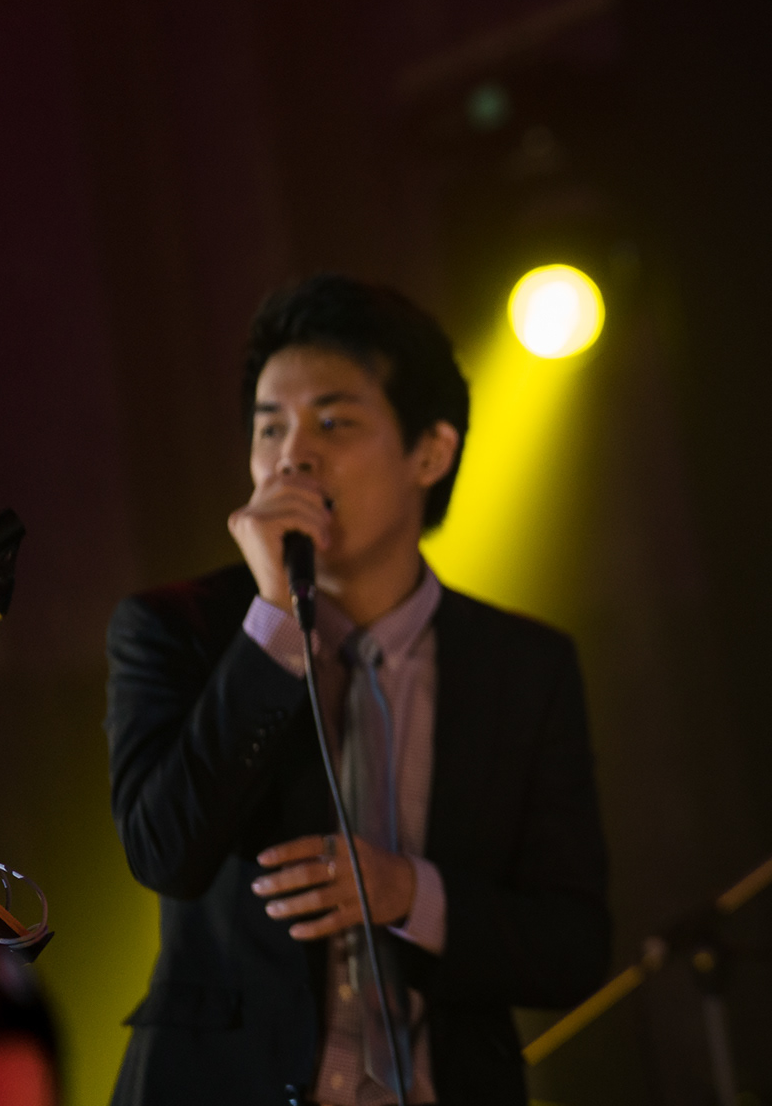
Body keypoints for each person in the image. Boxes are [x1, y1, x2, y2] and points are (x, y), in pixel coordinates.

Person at [104, 275, 610, 1105]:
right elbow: (164, 852)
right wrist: (274, 622)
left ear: (430, 452)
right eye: (270, 426)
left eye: (333, 421)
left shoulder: (525, 665)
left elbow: (574, 945)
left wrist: (412, 892)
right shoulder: (176, 630)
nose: (293, 454)